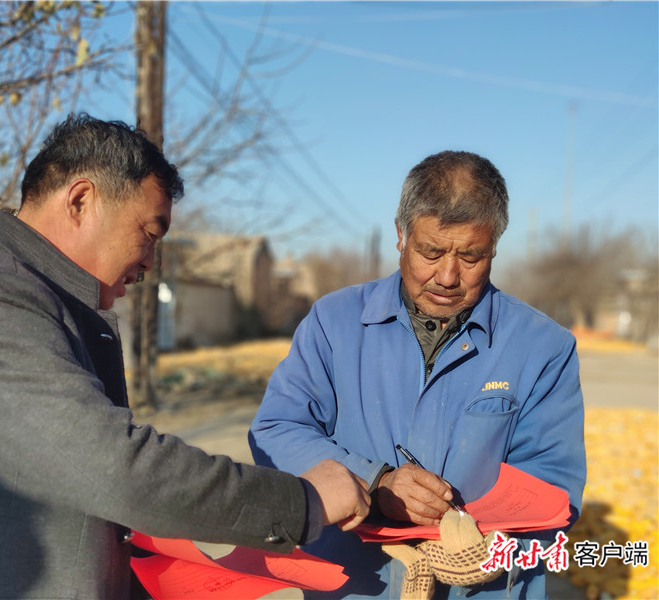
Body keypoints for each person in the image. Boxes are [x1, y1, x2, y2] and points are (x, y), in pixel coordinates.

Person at [0, 113, 370, 600]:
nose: (150, 262)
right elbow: (111, 467)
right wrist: (302, 502)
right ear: (81, 200)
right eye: (149, 233)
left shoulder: (42, 299)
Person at [249, 150, 586, 599]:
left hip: (482, 588)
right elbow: (277, 429)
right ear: (401, 235)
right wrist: (373, 483)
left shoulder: (543, 346)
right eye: (431, 251)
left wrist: (492, 546)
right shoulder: (334, 322)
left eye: (471, 256)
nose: (447, 276)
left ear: (494, 247)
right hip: (353, 586)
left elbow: (553, 485)